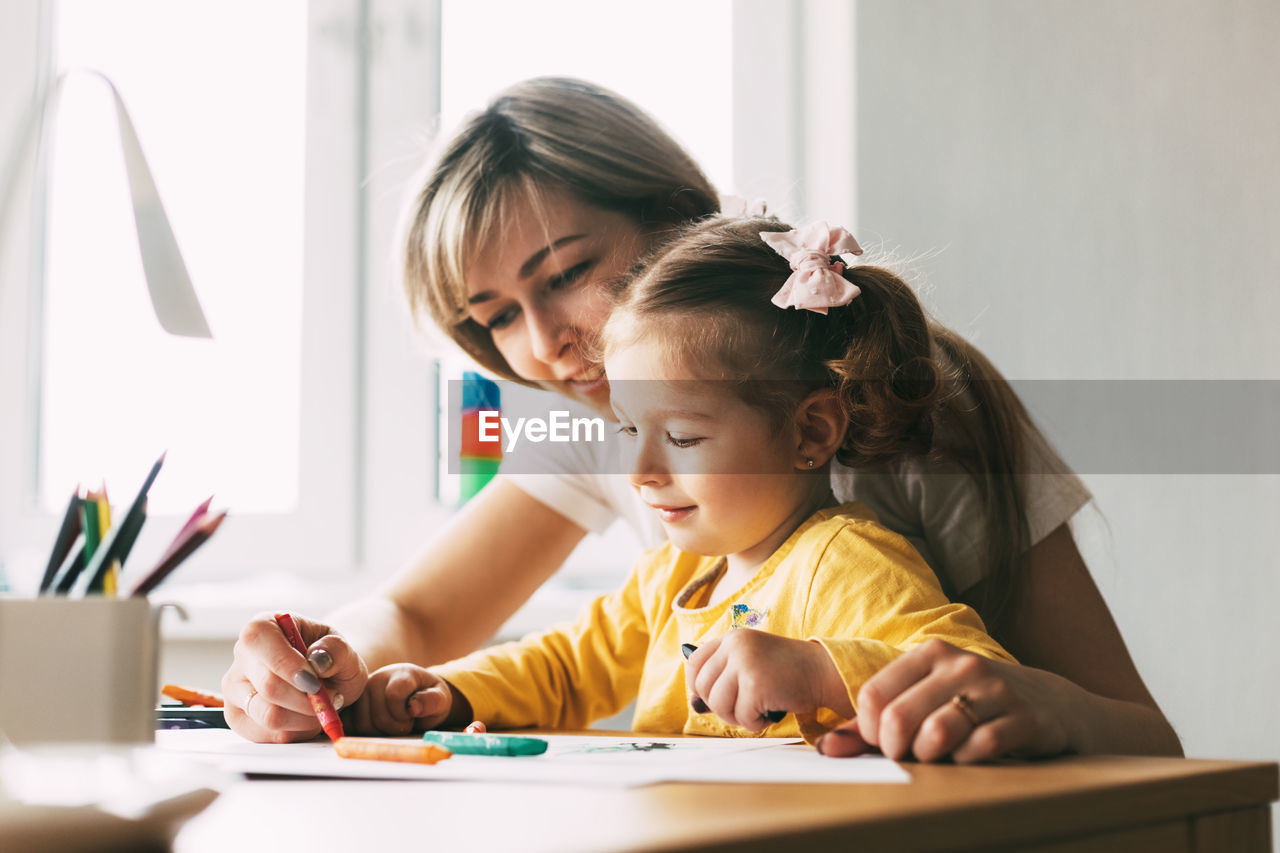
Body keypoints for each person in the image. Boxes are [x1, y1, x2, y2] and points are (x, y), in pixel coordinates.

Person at [222, 77, 1181, 761]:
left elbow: (1143, 736)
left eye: (565, 276)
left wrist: (1030, 702)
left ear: (679, 220)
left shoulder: (913, 412)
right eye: (497, 318)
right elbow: (425, 615)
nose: (548, 344)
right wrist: (316, 665)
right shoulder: (608, 417)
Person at [347, 216, 1013, 740]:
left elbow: (979, 679)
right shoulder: (671, 575)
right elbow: (563, 668)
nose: (640, 473)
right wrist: (450, 690)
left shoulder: (846, 564)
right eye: (630, 430)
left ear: (810, 432)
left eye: (684, 437)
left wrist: (821, 671)